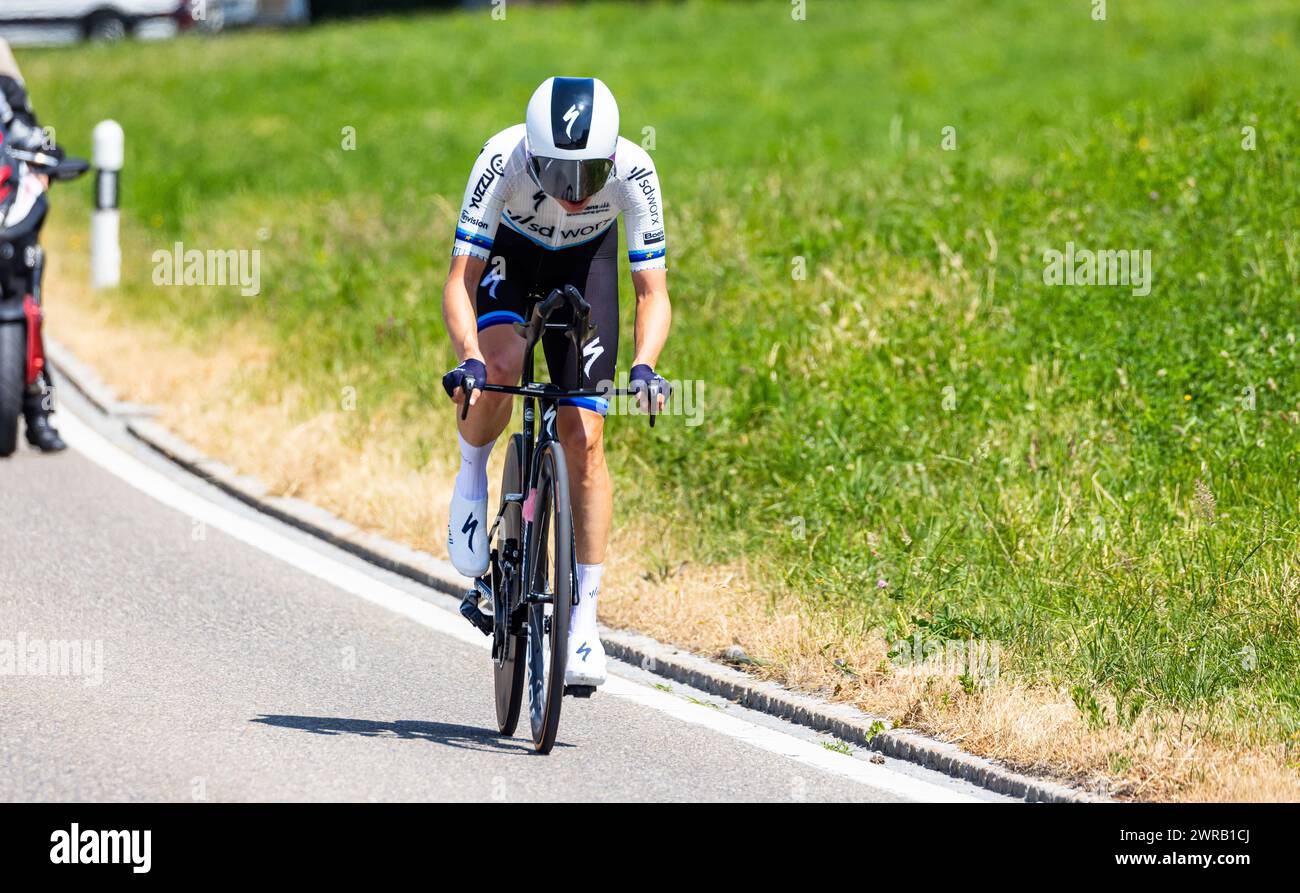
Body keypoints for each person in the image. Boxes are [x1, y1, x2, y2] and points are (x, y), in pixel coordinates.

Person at [441, 77, 672, 688]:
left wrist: (644, 364)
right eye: (559, 175)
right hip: (512, 257)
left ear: (612, 158)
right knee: (500, 370)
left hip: (585, 263)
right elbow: (460, 281)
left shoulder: (634, 170)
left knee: (584, 436)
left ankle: (585, 621)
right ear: (533, 156)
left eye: (588, 177)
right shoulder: (501, 159)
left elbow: (653, 291)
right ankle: (471, 478)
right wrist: (468, 356)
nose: (573, 194)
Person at [0, 38, 66, 453]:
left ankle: (38, 408)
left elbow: (29, 132)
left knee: (29, 288)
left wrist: (45, 157)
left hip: (5, 203)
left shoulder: (5, 92)